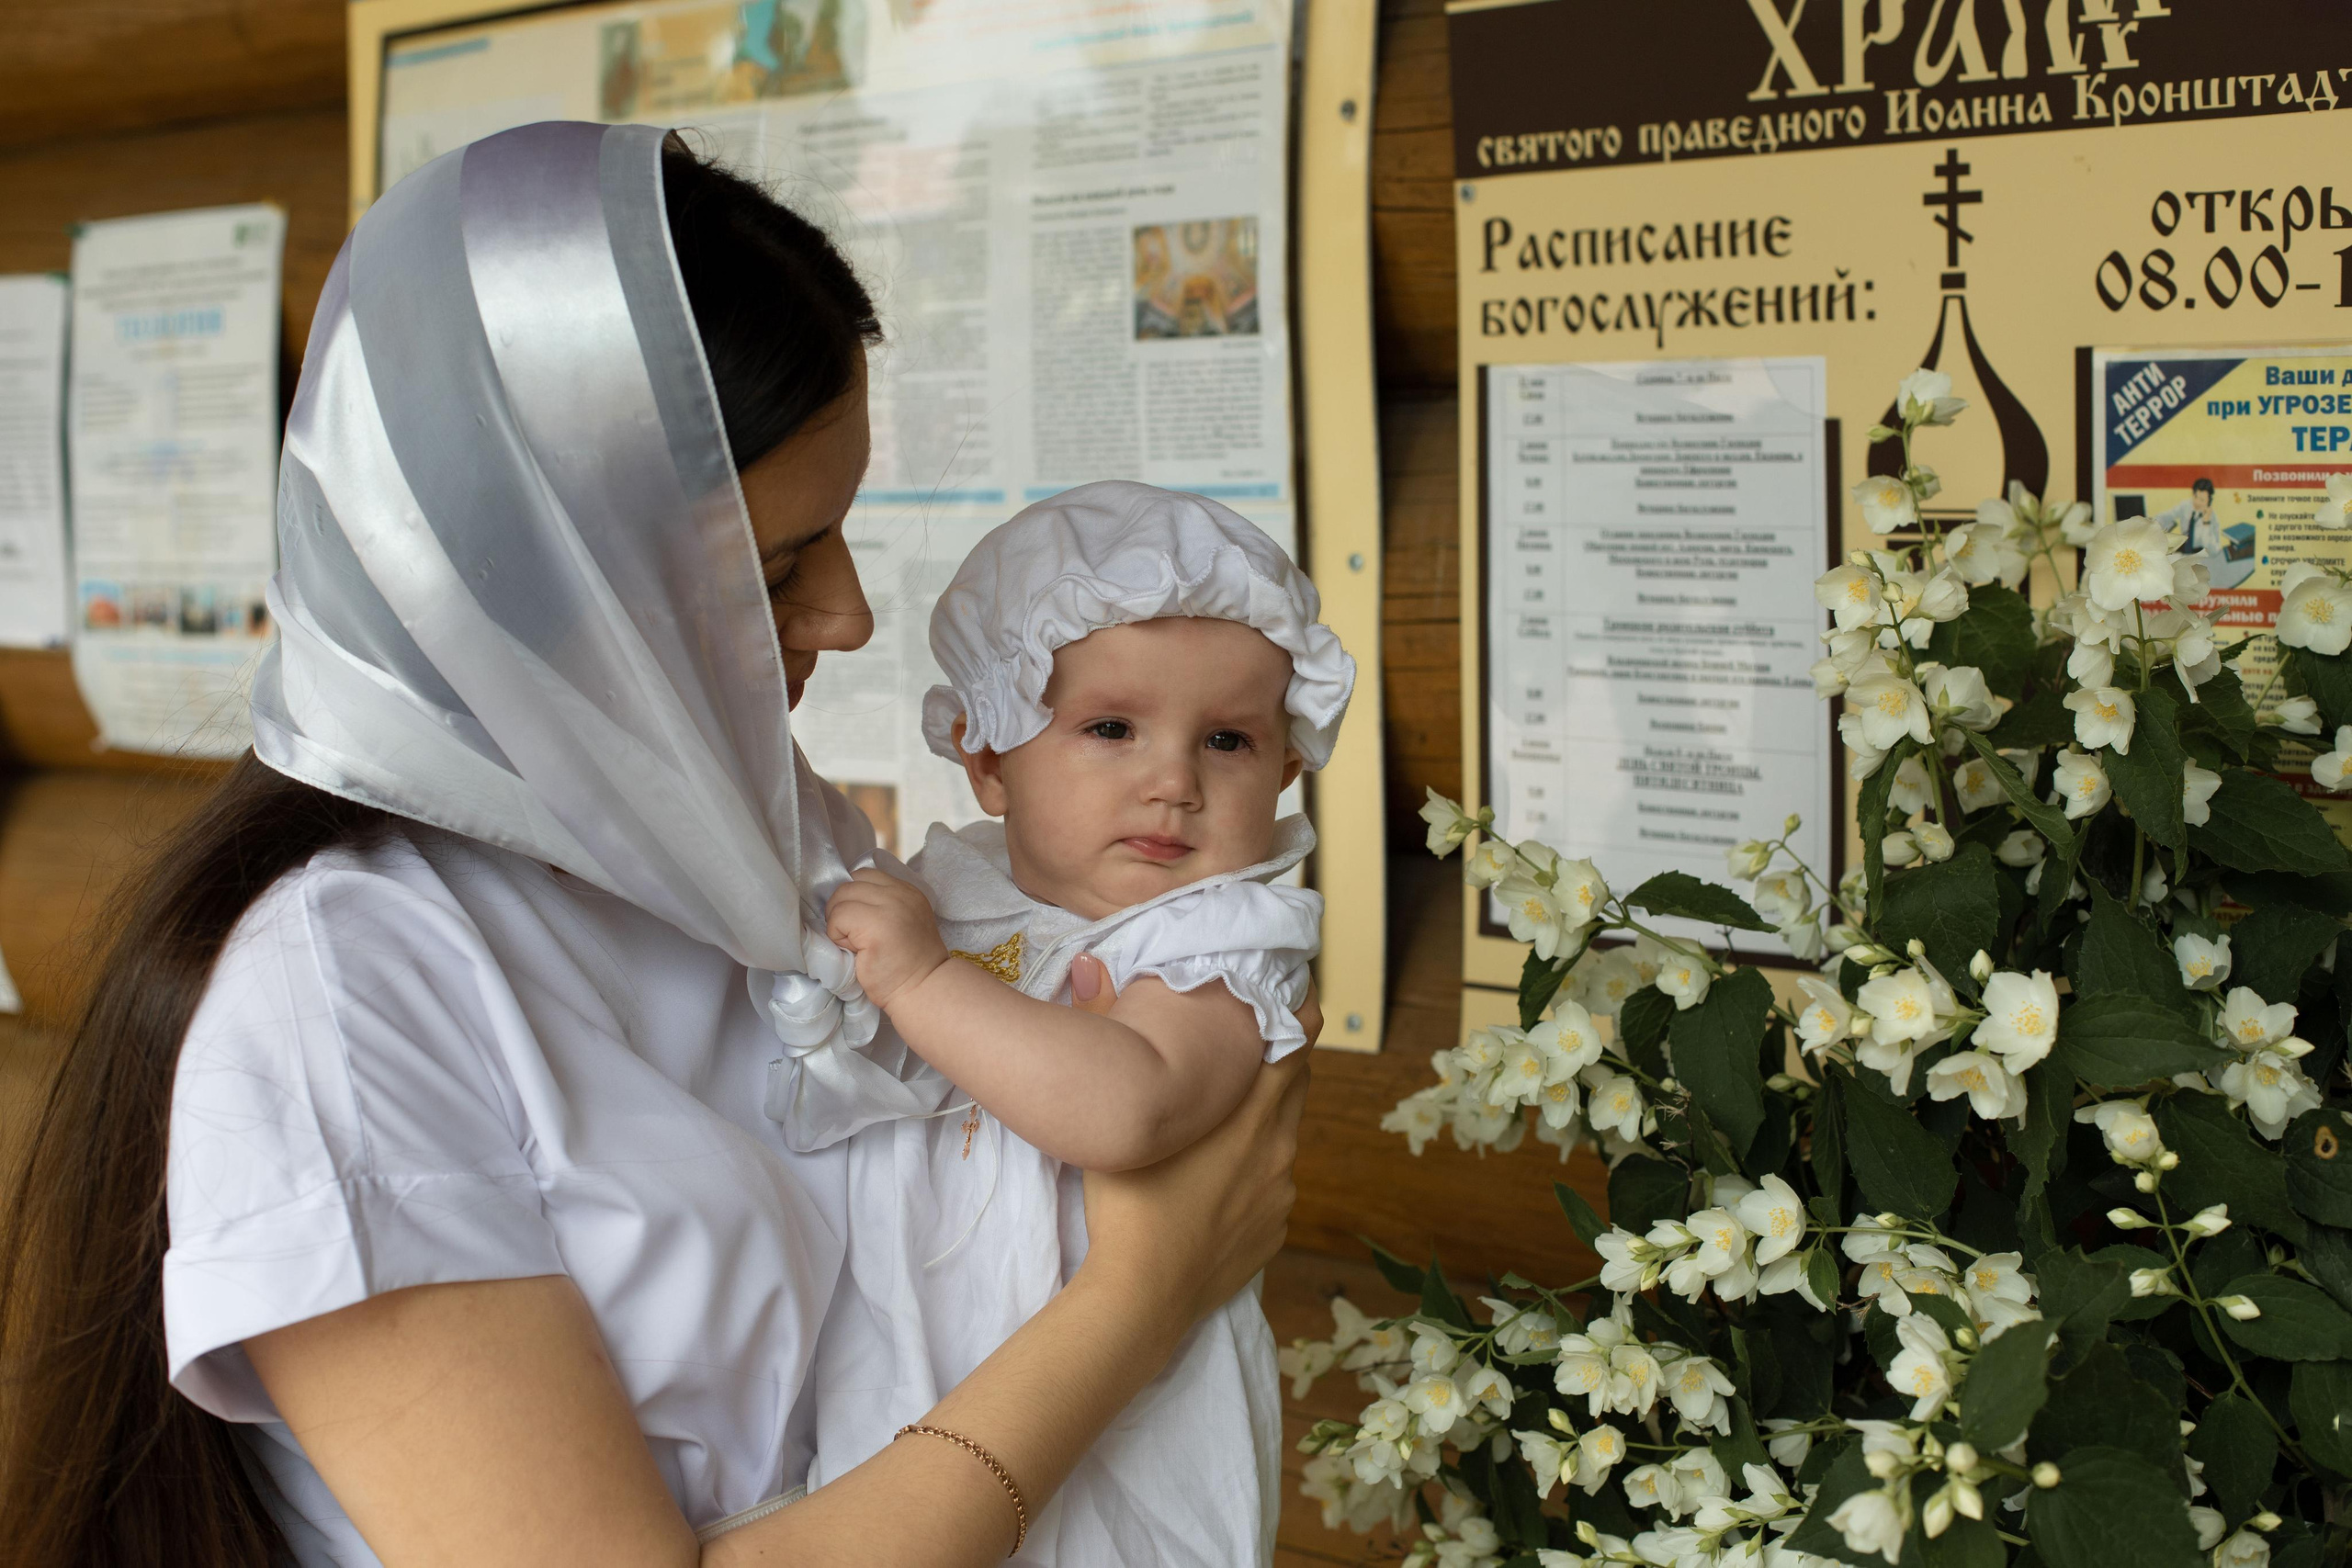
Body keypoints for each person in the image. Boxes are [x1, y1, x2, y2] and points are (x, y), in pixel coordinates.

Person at [0, 122, 1310, 1568]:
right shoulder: (351, 1001)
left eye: (841, 536)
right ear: (537, 568)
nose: (851, 617)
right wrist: (1134, 1302)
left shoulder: (767, 834)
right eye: (774, 570)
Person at [808, 483, 1353, 1564]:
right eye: (1111, 728)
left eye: (1229, 742)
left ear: (1287, 765)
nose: (1172, 782)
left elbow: (1124, 1106)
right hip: (905, 1366)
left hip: (1115, 1421)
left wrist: (918, 981)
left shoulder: (1214, 943)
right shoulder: (950, 888)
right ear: (987, 757)